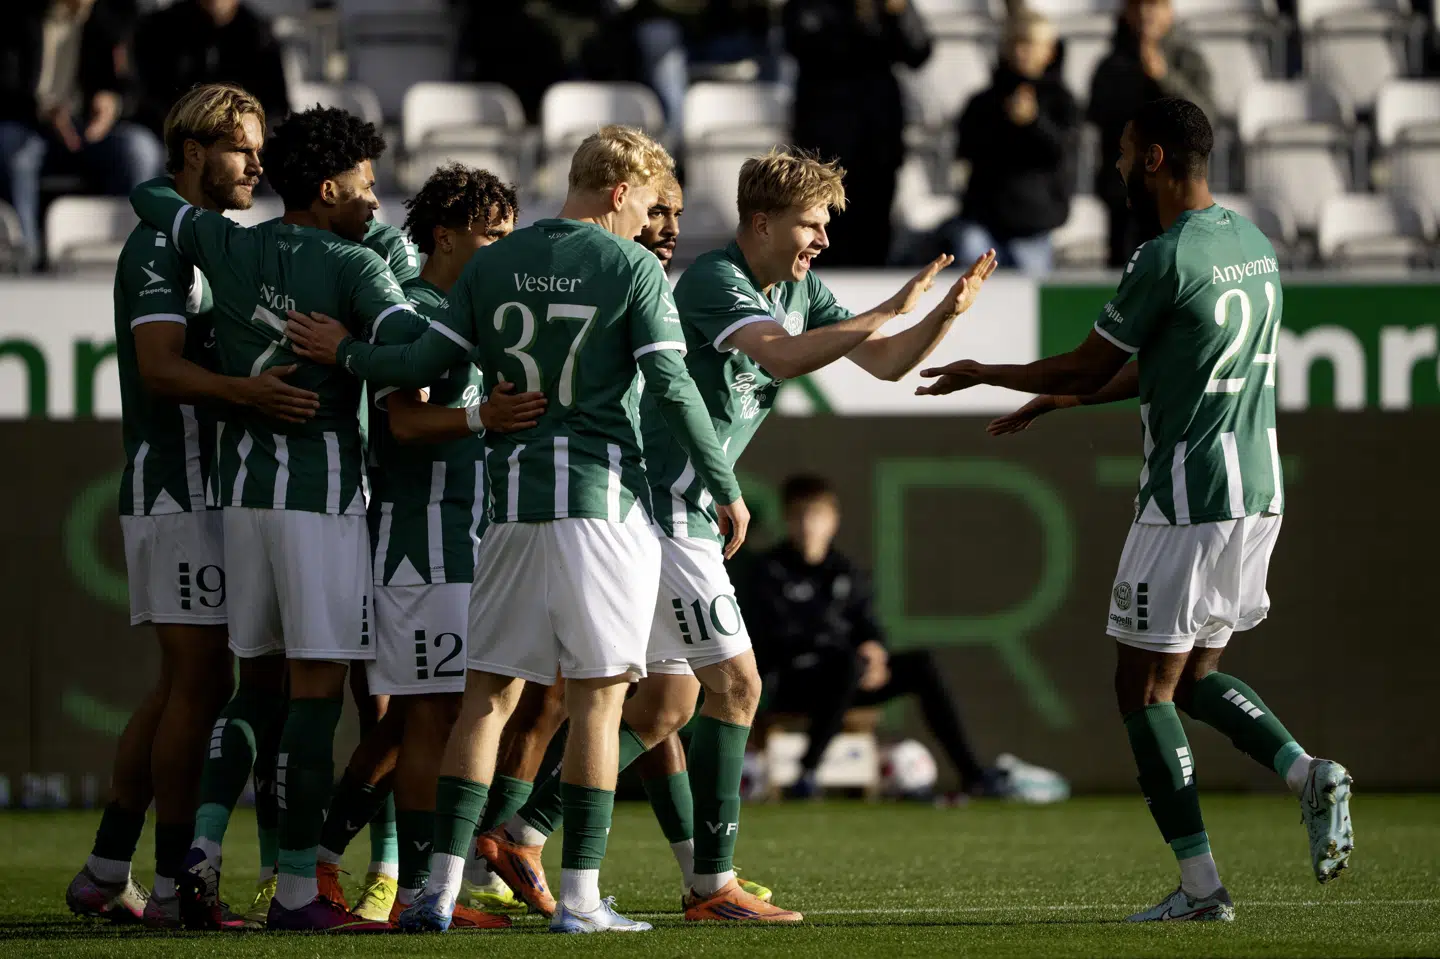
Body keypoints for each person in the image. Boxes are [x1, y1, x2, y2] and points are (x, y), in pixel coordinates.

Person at [478, 150, 996, 924]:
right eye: (810, 223)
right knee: (738, 686)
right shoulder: (718, 282)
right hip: (666, 504)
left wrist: (940, 318)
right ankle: (710, 884)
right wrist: (886, 307)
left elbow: (884, 365)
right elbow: (783, 356)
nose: (821, 238)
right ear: (762, 222)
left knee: (664, 708)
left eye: (824, 224)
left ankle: (522, 833)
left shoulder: (798, 288)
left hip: (668, 511)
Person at [284, 125, 747, 935]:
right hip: (601, 509)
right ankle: (580, 899)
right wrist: (725, 486)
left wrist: (350, 355)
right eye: (646, 203)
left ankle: (436, 890)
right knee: (599, 703)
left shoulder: (494, 264)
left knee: (484, 701)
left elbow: (418, 365)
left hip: (505, 514)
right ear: (618, 191)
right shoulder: (632, 266)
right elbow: (671, 388)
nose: (650, 221)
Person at [918, 97, 1354, 922]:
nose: (1115, 168)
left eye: (1122, 154)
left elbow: (1090, 365)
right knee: (1192, 678)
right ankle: (1305, 771)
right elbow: (1169, 366)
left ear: (1153, 159)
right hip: (1257, 492)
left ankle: (1200, 889)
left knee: (1141, 689)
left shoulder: (1165, 255)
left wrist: (992, 373)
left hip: (1187, 496)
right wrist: (1056, 406)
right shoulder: (1251, 246)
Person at [127, 105, 419, 933]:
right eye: (363, 185)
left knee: (252, 687)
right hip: (322, 504)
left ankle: (200, 859)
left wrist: (178, 182)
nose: (373, 200)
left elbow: (156, 200)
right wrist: (355, 353)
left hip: (243, 499)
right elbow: (419, 352)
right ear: (328, 188)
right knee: (318, 696)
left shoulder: (230, 244)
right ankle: (299, 889)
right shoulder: (357, 267)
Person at [464, 175, 773, 915]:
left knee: (659, 701)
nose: (666, 225)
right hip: (618, 510)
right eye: (655, 209)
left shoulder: (647, 283)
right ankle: (486, 853)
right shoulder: (631, 283)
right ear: (622, 201)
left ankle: (516, 847)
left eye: (675, 213)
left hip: (627, 517)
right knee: (558, 699)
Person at [64, 81, 314, 931]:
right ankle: (175, 887)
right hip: (181, 485)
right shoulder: (157, 249)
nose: (258, 161)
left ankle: (107, 866)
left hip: (211, 485)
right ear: (194, 150)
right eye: (243, 146)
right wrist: (249, 393)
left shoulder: (202, 239)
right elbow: (160, 368)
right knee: (201, 682)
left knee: (183, 683)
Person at [751, 475, 1002, 799]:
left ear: (833, 521)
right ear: (787, 520)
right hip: (791, 682)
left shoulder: (846, 572)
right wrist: (847, 654)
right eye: (799, 515)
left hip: (848, 678)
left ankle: (973, 774)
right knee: (846, 662)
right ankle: (806, 774)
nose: (808, 525)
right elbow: (771, 637)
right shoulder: (768, 571)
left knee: (919, 664)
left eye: (817, 515)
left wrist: (876, 652)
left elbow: (868, 625)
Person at [0, 0, 164, 265]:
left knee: (138, 149)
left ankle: (133, 257)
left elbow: (135, 85)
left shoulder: (116, 17)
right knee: (13, 148)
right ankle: (24, 255)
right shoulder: (17, 17)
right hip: (31, 126)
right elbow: (7, 84)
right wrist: (42, 110)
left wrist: (114, 103)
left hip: (92, 131)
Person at [784, 0, 932, 267]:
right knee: (821, 229)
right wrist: (857, 21)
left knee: (874, 231)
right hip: (823, 141)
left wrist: (900, 13)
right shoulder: (810, 7)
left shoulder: (889, 6)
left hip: (878, 141)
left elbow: (919, 51)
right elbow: (801, 44)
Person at [1088, 0, 1215, 267]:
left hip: (1176, 196)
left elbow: (1204, 118)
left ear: (1169, 10)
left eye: (1154, 5)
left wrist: (1164, 78)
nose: (1146, 14)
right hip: (1125, 198)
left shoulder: (1188, 59)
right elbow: (1099, 118)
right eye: (1138, 6)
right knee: (1127, 286)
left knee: (1173, 279)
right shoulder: (1111, 65)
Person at [951, 11, 1078, 275]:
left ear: (1049, 51)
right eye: (1016, 44)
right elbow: (966, 150)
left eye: (1030, 44)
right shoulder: (983, 103)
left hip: (1034, 226)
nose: (1022, 52)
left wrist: (1033, 123)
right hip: (983, 221)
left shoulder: (1062, 102)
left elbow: (1061, 152)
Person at [132, 0, 290, 141]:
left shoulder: (259, 36)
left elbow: (276, 109)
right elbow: (148, 94)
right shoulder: (161, 28)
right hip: (168, 137)